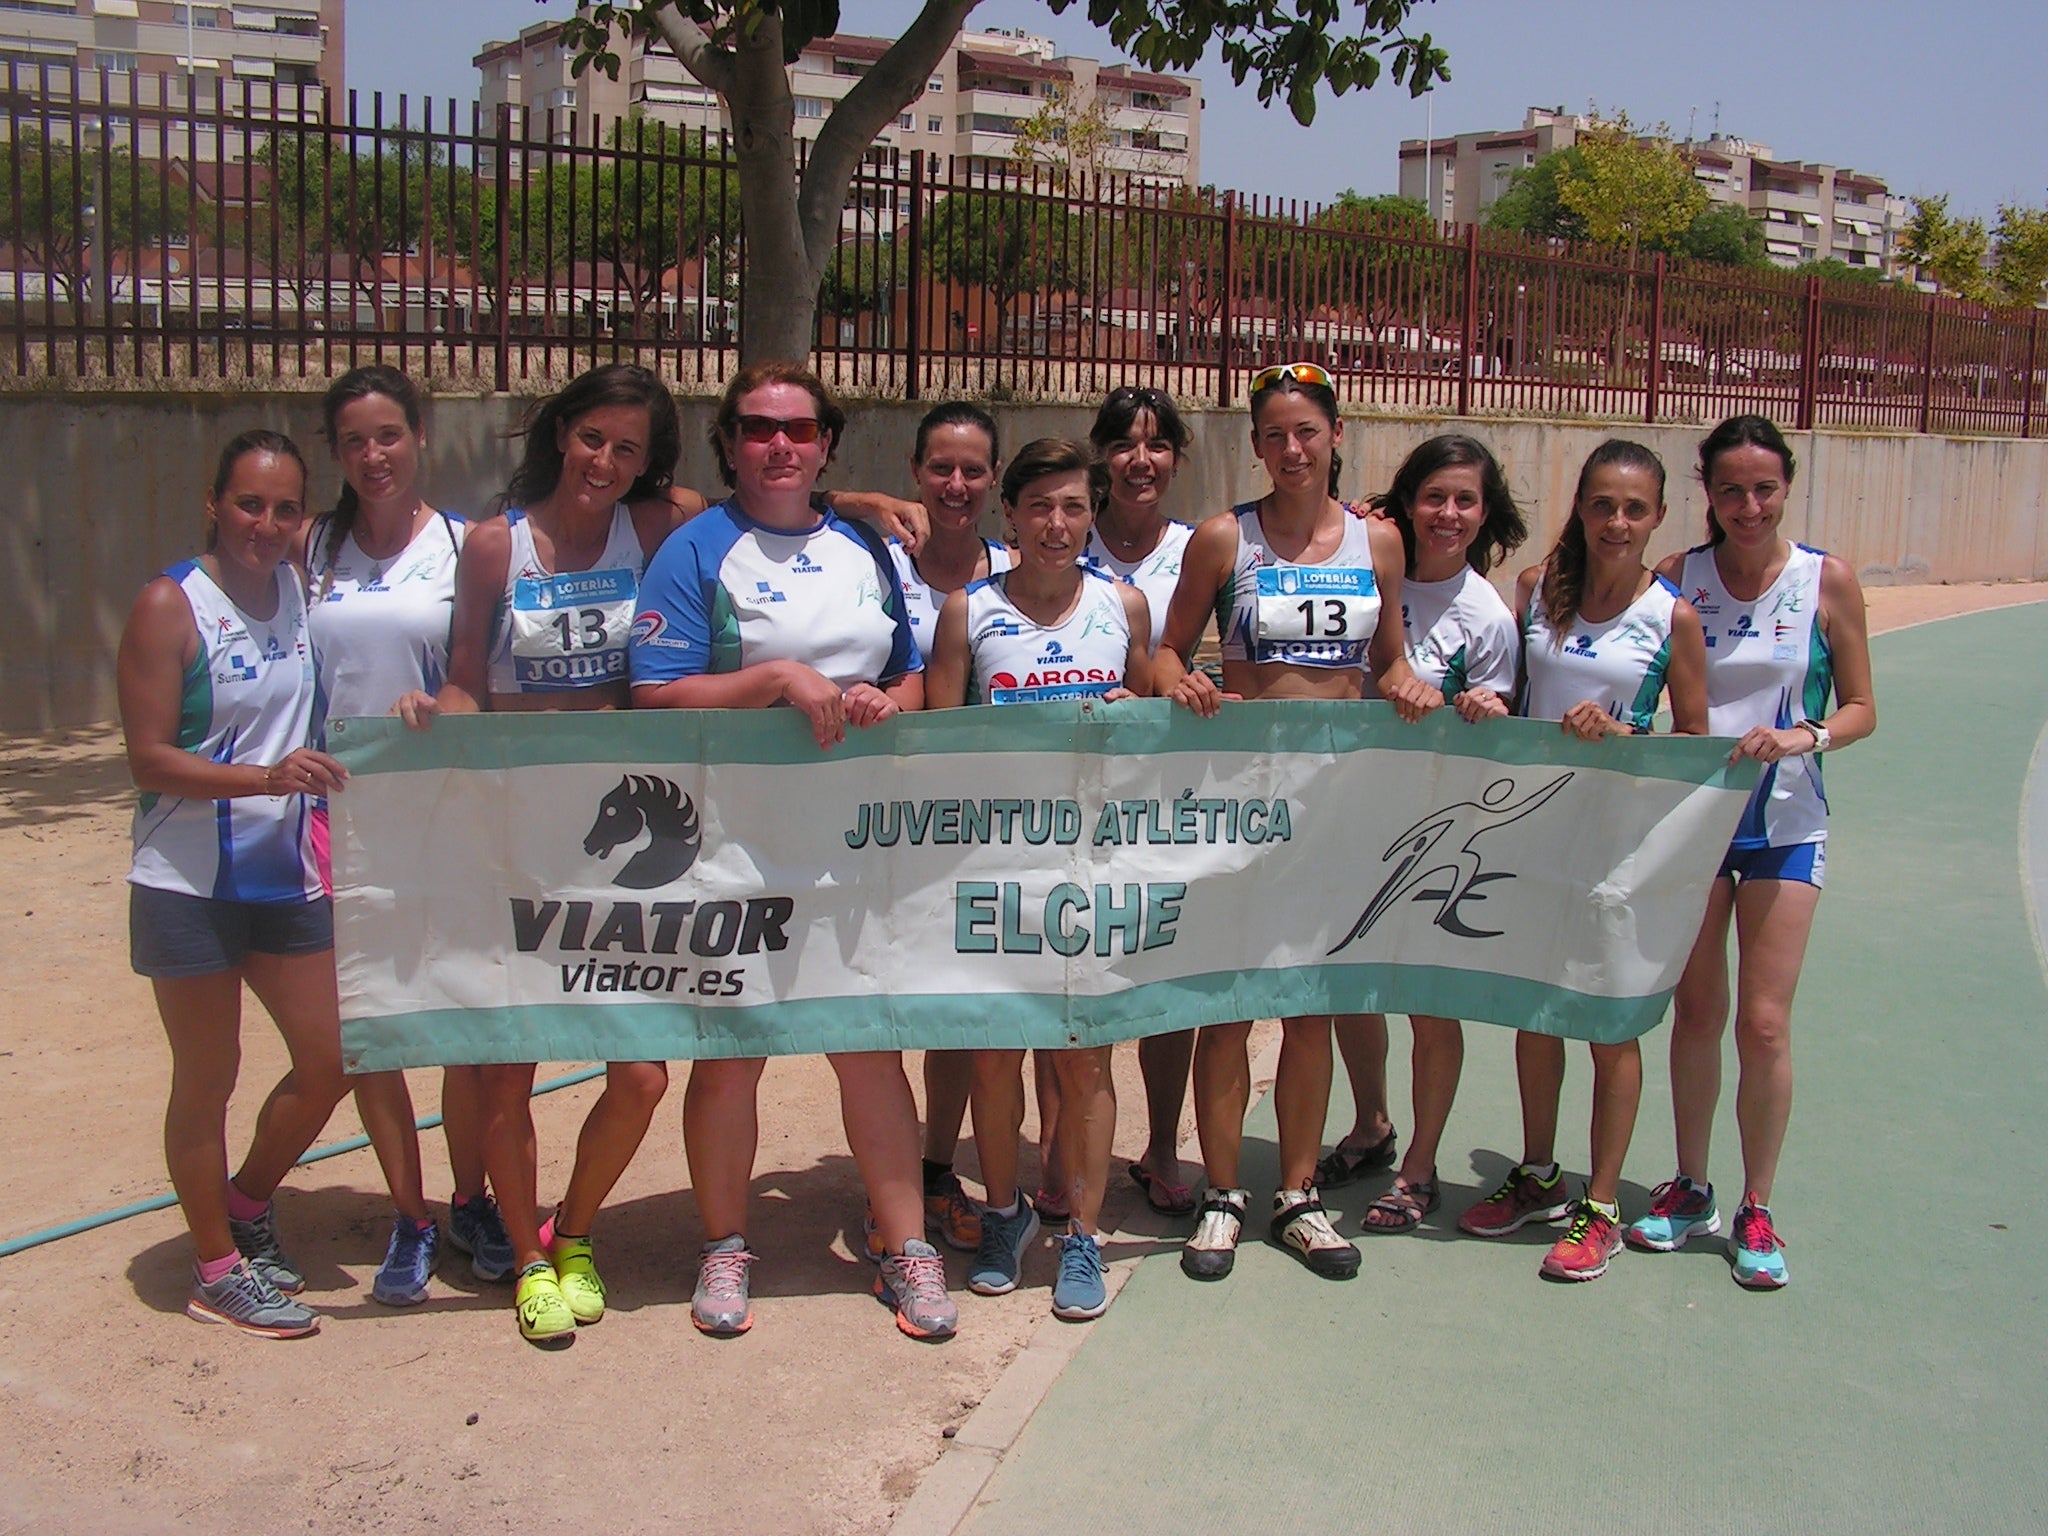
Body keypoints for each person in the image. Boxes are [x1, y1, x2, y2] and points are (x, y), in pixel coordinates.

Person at [628, 362, 956, 1342]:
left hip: (853, 843)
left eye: (799, 430)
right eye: (758, 429)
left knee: (866, 1050)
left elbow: (907, 678)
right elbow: (652, 697)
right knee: (731, 1057)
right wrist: (775, 677)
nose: (779, 446)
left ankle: (904, 1250)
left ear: (824, 445)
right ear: (727, 443)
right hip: (735, 844)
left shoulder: (862, 543)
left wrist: (877, 703)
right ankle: (725, 1246)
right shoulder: (695, 552)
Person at [410, 362, 694, 1343]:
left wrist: (860, 500)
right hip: (513, 833)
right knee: (507, 1073)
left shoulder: (656, 527)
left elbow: (762, 513)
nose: (605, 462)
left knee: (643, 1073)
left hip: (614, 841)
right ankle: (528, 1263)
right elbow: (461, 682)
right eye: (592, 439)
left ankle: (571, 1230)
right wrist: (431, 720)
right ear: (560, 433)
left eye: (628, 448)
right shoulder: (496, 544)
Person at [1153, 360, 1430, 1282]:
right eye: (1273, 435)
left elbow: (1386, 664)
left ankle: (1299, 1194)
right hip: (1240, 803)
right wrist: (1178, 679)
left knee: (1310, 1012)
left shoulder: (1378, 544)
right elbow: (1161, 649)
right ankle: (1225, 1193)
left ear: (1336, 437)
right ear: (1257, 446)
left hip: (1337, 809)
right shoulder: (1223, 539)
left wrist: (1418, 687)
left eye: (1307, 431)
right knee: (1230, 1006)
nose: (1291, 449)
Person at [1627, 416, 1874, 1288]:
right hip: (1695, 825)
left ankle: (1757, 1202)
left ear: (1786, 488)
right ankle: (1691, 1185)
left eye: (1763, 488)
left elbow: (1860, 709)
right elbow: (1603, 626)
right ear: (1706, 493)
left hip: (1787, 825)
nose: (1747, 505)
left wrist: (1803, 736)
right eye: (1730, 489)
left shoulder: (1826, 581)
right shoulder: (1676, 578)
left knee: (1764, 1023)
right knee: (1697, 1015)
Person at [1453, 439, 1708, 1281]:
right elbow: (1524, 703)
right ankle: (1538, 1173)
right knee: (1535, 1012)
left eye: (1635, 509)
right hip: (1534, 834)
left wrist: (1631, 736)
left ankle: (1600, 1204)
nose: (1618, 522)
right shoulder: (1537, 592)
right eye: (1603, 505)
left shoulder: (1673, 618)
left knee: (1605, 1023)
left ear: (1659, 517)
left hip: (1618, 848)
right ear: (1582, 509)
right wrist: (1490, 705)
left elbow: (1693, 747)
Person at [118, 429, 352, 1338]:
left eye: (286, 507)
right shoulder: (168, 605)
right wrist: (265, 779)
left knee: (330, 1058)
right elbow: (147, 760)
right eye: (249, 503)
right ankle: (216, 1269)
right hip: (187, 882)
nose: (267, 522)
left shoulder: (302, 592)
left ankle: (247, 1202)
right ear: (215, 503)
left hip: (285, 872)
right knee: (208, 1076)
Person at [925, 437, 1153, 1320]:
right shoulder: (966, 612)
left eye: (1072, 507)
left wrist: (1147, 712)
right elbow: (937, 748)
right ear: (1008, 515)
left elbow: (1152, 724)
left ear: (1091, 514)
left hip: (1096, 868)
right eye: (1038, 508)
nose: (1056, 525)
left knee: (1085, 1058)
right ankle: (1004, 1213)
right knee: (994, 1052)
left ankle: (1085, 1238)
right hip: (996, 867)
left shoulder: (1122, 605)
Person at [303, 365, 511, 1306]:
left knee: (467, 1014)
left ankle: (472, 1197)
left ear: (421, 434)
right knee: (374, 1024)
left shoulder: (468, 545)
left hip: (450, 811)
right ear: (336, 453)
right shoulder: (311, 548)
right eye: (353, 441)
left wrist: (447, 704)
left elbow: (488, 679)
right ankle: (411, 1213)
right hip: (340, 817)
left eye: (389, 435)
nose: (373, 455)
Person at [1322, 435, 1529, 1235]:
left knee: (1429, 1005)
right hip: (1347, 814)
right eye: (1434, 496)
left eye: (1466, 501)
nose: (1448, 514)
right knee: (1350, 983)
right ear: (1406, 500)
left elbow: (1502, 739)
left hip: (1438, 834)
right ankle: (1373, 1125)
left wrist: (1482, 710)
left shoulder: (1487, 616)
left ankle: (1419, 1169)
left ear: (1486, 514)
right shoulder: (1364, 566)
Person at [879, 401, 1014, 1257]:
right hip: (877, 816)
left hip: (982, 825)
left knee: (963, 1008)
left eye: (973, 470)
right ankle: (884, 1183)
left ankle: (932, 1168)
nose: (956, 484)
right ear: (915, 472)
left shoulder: (1019, 565)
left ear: (995, 479)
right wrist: (859, 502)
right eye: (940, 468)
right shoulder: (873, 554)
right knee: (880, 1001)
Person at [1073, 385, 1201, 1218]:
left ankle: (1159, 1147)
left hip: (1166, 792)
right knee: (1070, 973)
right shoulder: (1057, 530)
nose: (1140, 460)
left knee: (1163, 974)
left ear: (1176, 459)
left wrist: (1165, 686)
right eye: (1123, 443)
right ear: (1101, 456)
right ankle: (1066, 1154)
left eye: (1156, 445)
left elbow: (1174, 658)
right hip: (1062, 800)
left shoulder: (1204, 547)